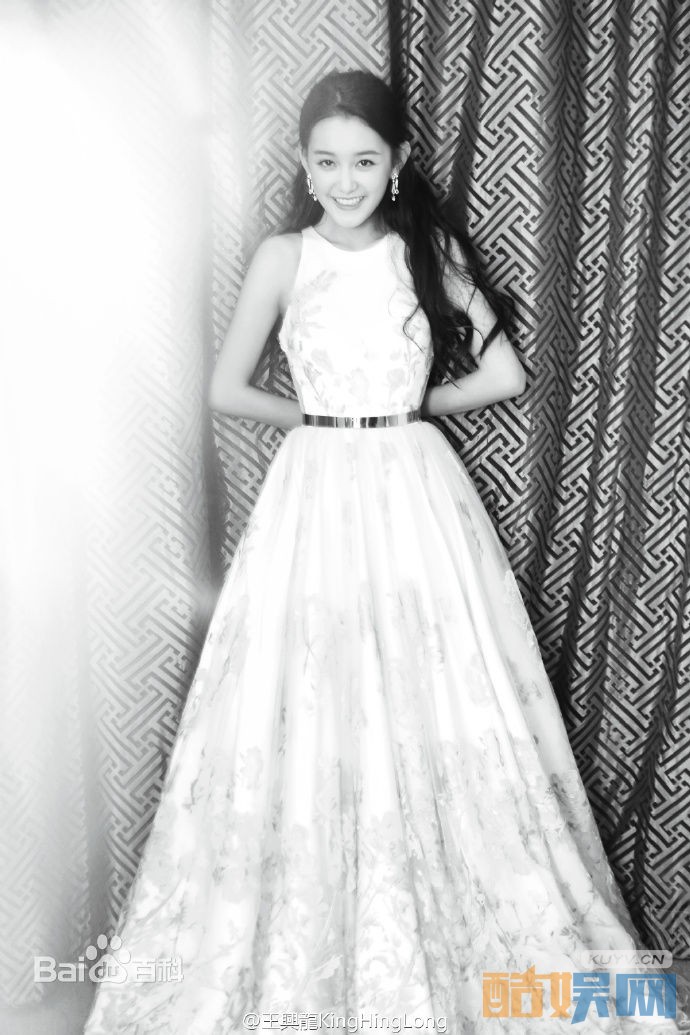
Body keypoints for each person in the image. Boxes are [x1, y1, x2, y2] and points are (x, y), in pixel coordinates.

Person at [83, 69, 689, 1034]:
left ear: (398, 162)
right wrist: (319, 421)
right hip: (313, 490)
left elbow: (505, 372)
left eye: (364, 161)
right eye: (327, 162)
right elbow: (225, 389)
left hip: (414, 487)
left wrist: (408, 409)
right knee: (307, 683)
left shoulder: (427, 250)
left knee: (434, 680)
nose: (346, 180)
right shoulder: (283, 256)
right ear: (302, 165)